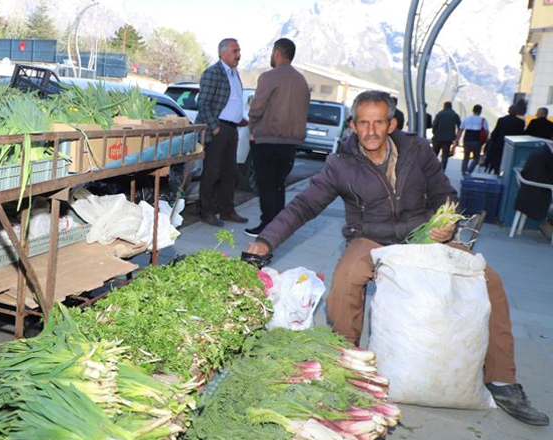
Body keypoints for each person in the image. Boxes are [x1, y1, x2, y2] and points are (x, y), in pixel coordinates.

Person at [245, 90, 549, 427]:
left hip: (424, 236)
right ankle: (345, 365)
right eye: (363, 123)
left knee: (488, 280)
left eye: (378, 122)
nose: (371, 131)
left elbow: (445, 194)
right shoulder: (340, 164)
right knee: (345, 280)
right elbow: (304, 206)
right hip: (371, 238)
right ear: (353, 125)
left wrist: (445, 223)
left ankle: (503, 381)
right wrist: (264, 241)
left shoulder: (417, 150)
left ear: (391, 124)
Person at [244, 38, 310, 237]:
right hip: (290, 143)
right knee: (279, 185)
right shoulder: (301, 80)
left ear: (276, 53)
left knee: (266, 185)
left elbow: (257, 107)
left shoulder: (269, 77)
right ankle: (277, 227)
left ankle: (266, 226)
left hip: (268, 139)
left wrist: (252, 126)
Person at [195, 38, 250, 226]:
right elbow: (203, 103)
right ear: (222, 53)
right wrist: (215, 127)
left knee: (229, 172)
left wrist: (239, 118)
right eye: (235, 51)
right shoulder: (213, 73)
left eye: (239, 50)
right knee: (212, 172)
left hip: (232, 129)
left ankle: (227, 211)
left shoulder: (235, 74)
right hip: (218, 129)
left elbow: (232, 100)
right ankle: (206, 212)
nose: (239, 55)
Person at [484, 105, 525, 175]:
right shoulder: (520, 122)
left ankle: (496, 172)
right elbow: (521, 135)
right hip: (513, 146)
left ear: (508, 111)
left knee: (498, 161)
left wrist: (493, 141)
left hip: (500, 144)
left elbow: (495, 133)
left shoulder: (502, 120)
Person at [455, 104, 490, 176]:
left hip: (467, 140)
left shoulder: (467, 119)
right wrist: (486, 141)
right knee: (476, 158)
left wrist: (457, 140)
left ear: (473, 110)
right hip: (477, 141)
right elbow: (486, 131)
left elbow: (461, 130)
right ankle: (469, 171)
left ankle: (463, 171)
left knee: (466, 157)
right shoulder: (482, 120)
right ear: (480, 111)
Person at [431, 101, 461, 170]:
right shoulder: (455, 115)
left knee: (434, 154)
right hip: (448, 139)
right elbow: (460, 126)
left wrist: (434, 133)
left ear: (444, 106)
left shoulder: (439, 114)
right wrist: (456, 137)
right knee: (445, 155)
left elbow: (434, 125)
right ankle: (442, 169)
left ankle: (432, 168)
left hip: (438, 137)